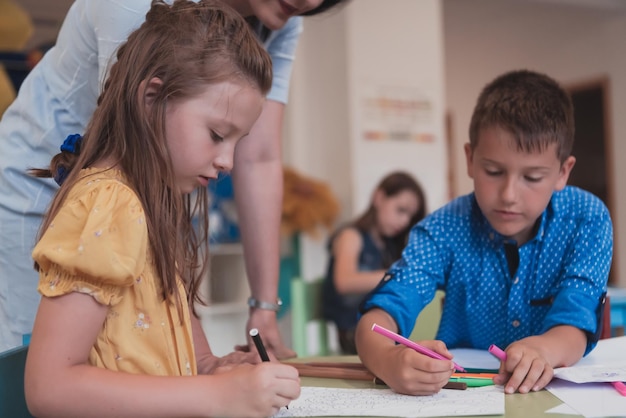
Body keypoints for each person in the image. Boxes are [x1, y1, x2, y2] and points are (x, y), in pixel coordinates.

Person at [0, 0, 346, 356]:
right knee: (42, 356)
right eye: (216, 135)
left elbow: (258, 157)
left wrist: (262, 309)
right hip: (40, 188)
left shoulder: (282, 17)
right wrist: (206, 369)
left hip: (127, 193)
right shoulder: (114, 195)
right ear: (152, 95)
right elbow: (50, 386)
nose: (312, 1)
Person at [355, 69, 613, 396]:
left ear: (563, 172)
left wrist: (545, 349)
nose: (508, 194)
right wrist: (388, 360)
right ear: (470, 159)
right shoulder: (444, 228)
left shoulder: (586, 219)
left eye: (532, 178)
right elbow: (380, 317)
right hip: (463, 394)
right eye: (493, 171)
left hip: (556, 397)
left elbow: (577, 320)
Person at [322, 171, 426, 354]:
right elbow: (344, 282)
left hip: (380, 329)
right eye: (401, 210)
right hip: (353, 334)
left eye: (410, 216)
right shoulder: (351, 236)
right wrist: (395, 274)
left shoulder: (388, 245)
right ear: (379, 197)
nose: (405, 221)